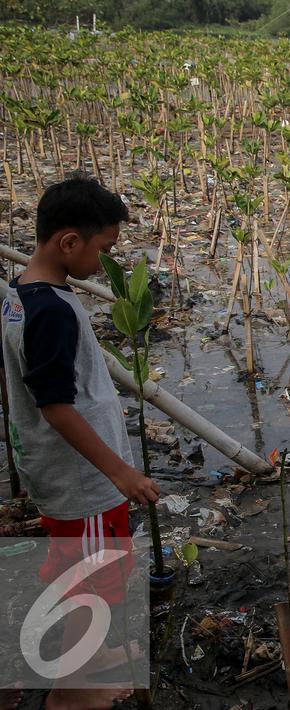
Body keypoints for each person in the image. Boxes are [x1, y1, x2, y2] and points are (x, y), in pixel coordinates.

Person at [1, 174, 160, 709]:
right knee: (92, 575)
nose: (105, 261)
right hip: (82, 479)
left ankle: (92, 656)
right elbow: (55, 406)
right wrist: (120, 471)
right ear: (68, 242)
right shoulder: (49, 311)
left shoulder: (22, 296)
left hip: (61, 472)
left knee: (84, 564)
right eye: (104, 249)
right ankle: (71, 693)